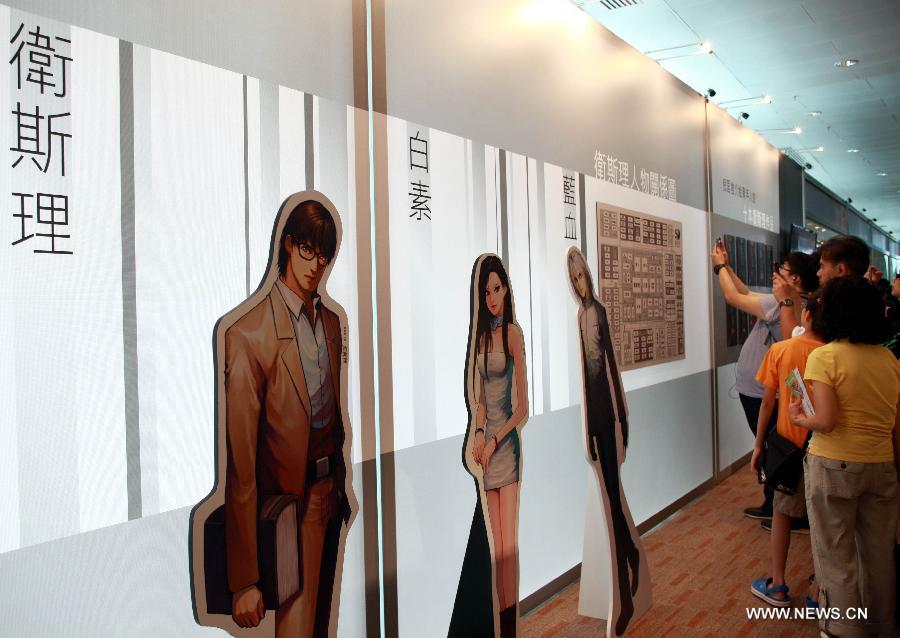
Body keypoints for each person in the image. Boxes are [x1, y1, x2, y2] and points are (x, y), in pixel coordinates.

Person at [224, 198, 352, 637]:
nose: (315, 265)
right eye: (307, 251)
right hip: (284, 513)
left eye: (324, 256)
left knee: (322, 627)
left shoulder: (331, 324)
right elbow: (240, 468)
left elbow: (333, 418)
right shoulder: (250, 335)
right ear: (288, 246)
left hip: (328, 495)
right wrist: (244, 579)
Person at [789, 276, 900, 638]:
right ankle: (881, 626)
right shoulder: (889, 359)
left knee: (835, 557)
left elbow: (825, 420)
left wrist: (798, 417)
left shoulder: (824, 356)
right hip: (882, 465)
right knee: (879, 555)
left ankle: (843, 630)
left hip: (833, 466)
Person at [567, 247, 645, 636]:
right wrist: (588, 431)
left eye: (583, 277)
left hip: (610, 415)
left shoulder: (596, 313)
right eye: (574, 279)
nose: (580, 284)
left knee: (614, 499)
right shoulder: (580, 316)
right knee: (611, 500)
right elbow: (585, 376)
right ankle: (630, 555)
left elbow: (609, 365)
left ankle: (626, 594)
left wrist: (623, 417)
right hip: (595, 419)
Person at [749, 294, 824, 607]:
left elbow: (768, 401)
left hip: (789, 447)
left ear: (805, 315)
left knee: (781, 513)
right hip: (822, 448)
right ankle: (819, 590)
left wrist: (757, 445)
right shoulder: (832, 354)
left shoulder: (781, 350)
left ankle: (778, 585)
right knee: (823, 521)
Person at [469, 255, 529, 638]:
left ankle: (509, 627)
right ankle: (499, 625)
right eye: (486, 291)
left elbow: (522, 408)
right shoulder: (480, 336)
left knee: (507, 548)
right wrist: (477, 433)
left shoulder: (513, 334)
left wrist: (493, 439)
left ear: (506, 289)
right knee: (495, 552)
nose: (492, 298)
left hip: (505, 448)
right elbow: (478, 399)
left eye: (497, 288)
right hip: (486, 449)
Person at [712, 241, 783, 518]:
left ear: (795, 279)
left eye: (782, 272)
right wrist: (727, 267)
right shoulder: (779, 303)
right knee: (768, 445)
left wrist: (718, 267)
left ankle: (775, 505)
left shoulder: (780, 305)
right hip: (756, 391)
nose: (775, 275)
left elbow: (733, 297)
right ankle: (774, 502)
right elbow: (744, 292)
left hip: (762, 394)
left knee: (768, 447)